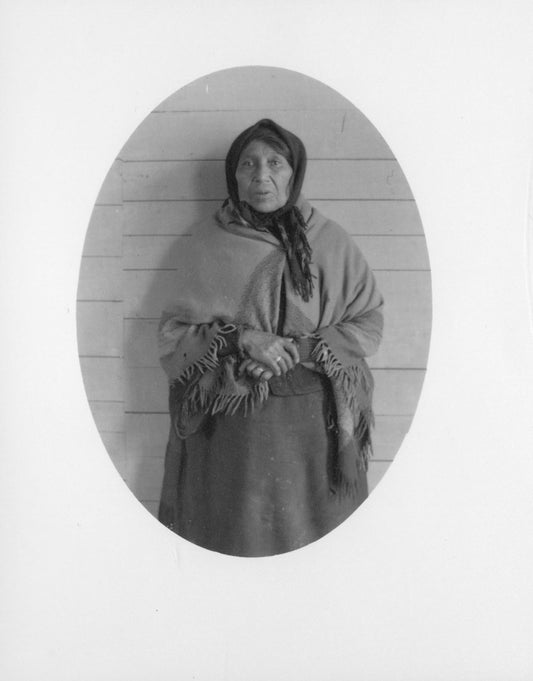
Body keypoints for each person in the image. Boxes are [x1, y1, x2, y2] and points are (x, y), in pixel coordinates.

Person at [157, 119, 384, 557]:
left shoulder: (330, 242)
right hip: (231, 434)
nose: (262, 175)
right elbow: (172, 336)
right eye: (249, 164)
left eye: (275, 163)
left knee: (318, 550)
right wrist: (241, 340)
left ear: (293, 172)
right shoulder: (207, 243)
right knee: (238, 544)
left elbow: (369, 322)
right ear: (234, 177)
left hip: (312, 430)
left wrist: (297, 350)